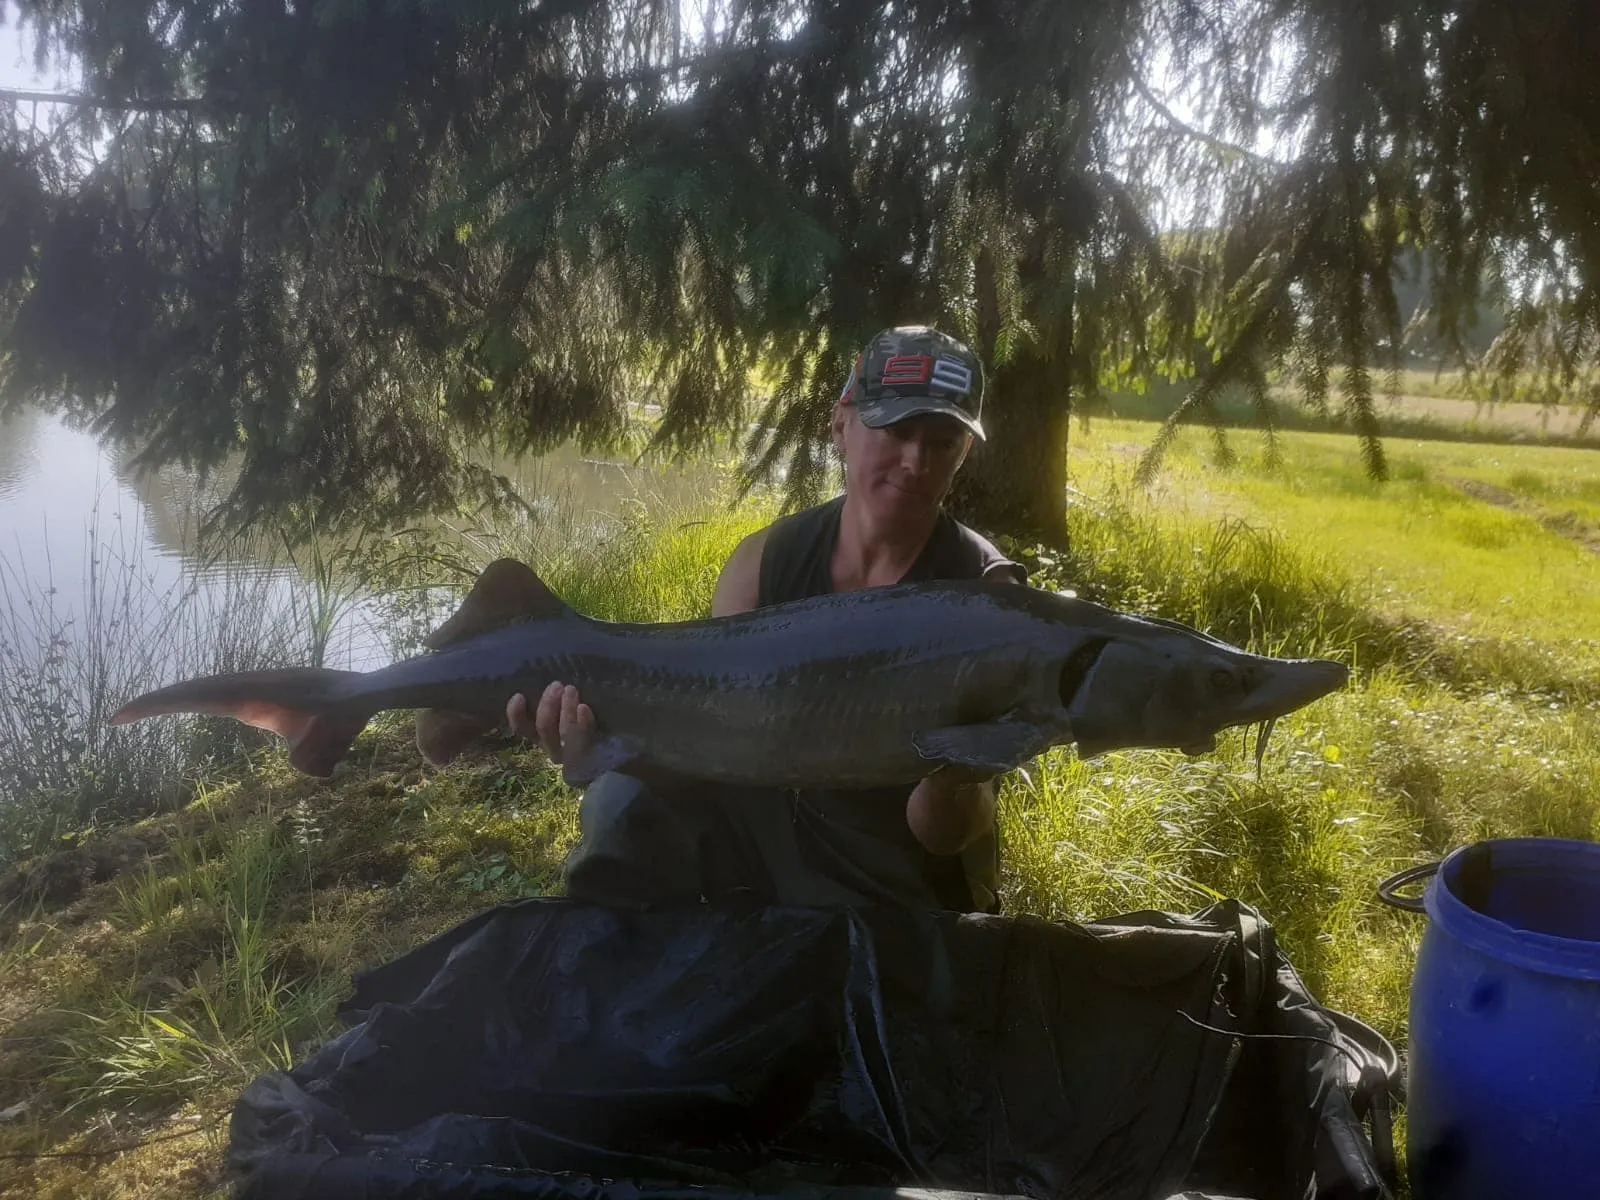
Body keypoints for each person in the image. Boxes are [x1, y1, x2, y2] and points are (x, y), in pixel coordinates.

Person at [506, 326, 1028, 913]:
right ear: (841, 426)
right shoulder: (763, 562)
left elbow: (949, 833)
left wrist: (951, 777)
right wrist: (602, 747)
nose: (916, 461)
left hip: (897, 860)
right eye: (898, 430)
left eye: (942, 440)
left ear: (965, 452)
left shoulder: (987, 596)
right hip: (769, 822)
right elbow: (708, 754)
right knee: (619, 802)